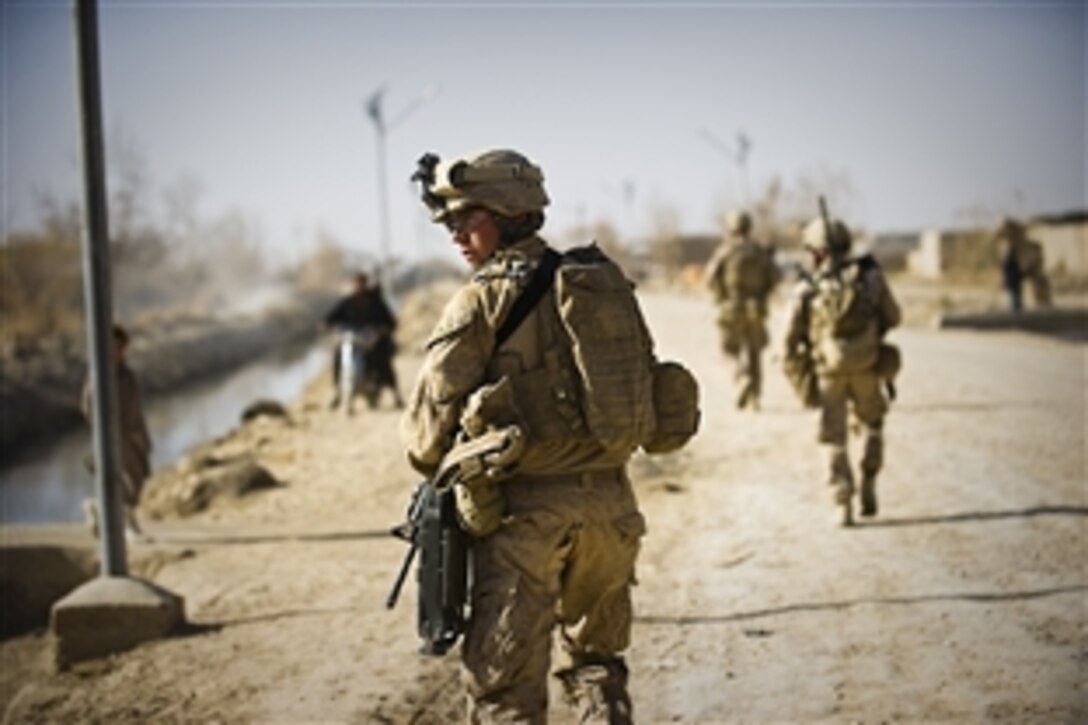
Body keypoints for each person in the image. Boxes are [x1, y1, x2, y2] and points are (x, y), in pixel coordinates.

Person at [399, 148, 648, 723]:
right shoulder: (598, 285)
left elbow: (423, 441)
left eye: (468, 217)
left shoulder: (479, 300)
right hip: (611, 509)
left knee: (503, 690)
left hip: (524, 523)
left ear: (510, 214)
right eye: (452, 222)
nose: (456, 233)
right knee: (598, 668)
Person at [782, 216, 901, 526]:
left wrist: (795, 369)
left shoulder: (807, 287)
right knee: (872, 424)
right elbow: (895, 316)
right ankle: (869, 476)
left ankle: (842, 502)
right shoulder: (871, 278)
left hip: (827, 373)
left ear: (817, 252)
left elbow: (788, 340)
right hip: (867, 368)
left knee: (832, 438)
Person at [702, 209, 780, 410]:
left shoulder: (725, 251)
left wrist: (720, 295)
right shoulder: (759, 251)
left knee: (729, 351)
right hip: (756, 309)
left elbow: (709, 278)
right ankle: (755, 398)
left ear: (731, 229)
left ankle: (740, 375)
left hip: (731, 309)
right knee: (755, 354)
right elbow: (775, 277)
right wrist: (763, 294)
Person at [81, 323, 152, 540]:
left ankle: (97, 508)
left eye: (122, 347)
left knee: (138, 477)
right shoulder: (100, 376)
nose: (120, 352)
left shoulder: (125, 374)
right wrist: (104, 429)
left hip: (133, 436)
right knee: (125, 480)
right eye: (116, 347)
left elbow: (136, 409)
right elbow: (87, 404)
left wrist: (143, 437)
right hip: (115, 436)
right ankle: (127, 526)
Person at [322, 271, 403, 409]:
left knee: (383, 361)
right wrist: (327, 327)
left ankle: (396, 395)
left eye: (362, 283)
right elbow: (330, 319)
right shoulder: (348, 302)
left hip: (374, 341)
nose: (360, 287)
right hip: (353, 339)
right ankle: (337, 392)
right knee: (338, 356)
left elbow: (391, 323)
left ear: (366, 284)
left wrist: (381, 331)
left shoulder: (376, 303)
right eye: (358, 284)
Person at [995, 217, 1051, 308]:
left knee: (1034, 286)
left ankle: (1041, 304)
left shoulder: (1016, 248)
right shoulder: (1010, 249)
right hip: (1015, 273)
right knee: (1015, 294)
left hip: (1018, 271)